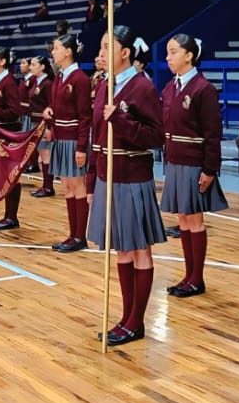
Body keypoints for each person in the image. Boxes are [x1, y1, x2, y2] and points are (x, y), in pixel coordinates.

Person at [88, 27, 169, 345]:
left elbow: (155, 136)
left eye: (108, 46)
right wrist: (92, 178)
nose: (102, 52)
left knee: (139, 248)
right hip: (108, 175)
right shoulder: (103, 85)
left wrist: (120, 120)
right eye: (101, 46)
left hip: (133, 176)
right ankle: (125, 317)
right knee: (121, 248)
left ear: (125, 52)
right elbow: (97, 135)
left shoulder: (142, 87)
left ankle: (137, 322)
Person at [161, 34, 226, 297]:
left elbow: (213, 133)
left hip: (194, 162)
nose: (168, 57)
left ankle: (196, 279)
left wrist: (209, 168)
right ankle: (188, 276)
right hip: (175, 161)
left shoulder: (203, 88)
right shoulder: (169, 88)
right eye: (167, 52)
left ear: (189, 56)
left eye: (173, 52)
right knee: (183, 220)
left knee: (195, 220)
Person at [46, 32, 94, 253]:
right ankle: (72, 233)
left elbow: (85, 116)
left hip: (74, 140)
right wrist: (50, 113)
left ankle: (80, 236)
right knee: (67, 187)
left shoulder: (80, 79)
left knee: (77, 186)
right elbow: (56, 106)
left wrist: (81, 147)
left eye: (56, 48)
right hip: (60, 138)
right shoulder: (59, 77)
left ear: (68, 52)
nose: (53, 52)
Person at [0, 46, 28, 231]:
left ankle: (11, 216)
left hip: (6, 134)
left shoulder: (8, 82)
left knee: (11, 175)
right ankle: (7, 215)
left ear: (2, 61)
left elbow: (14, 111)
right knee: (2, 175)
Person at [27, 55, 56, 200]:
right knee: (41, 153)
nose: (30, 67)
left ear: (42, 66)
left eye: (33, 64)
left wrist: (50, 127)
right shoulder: (35, 82)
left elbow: (52, 105)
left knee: (46, 156)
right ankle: (45, 186)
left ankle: (48, 186)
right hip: (35, 122)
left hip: (44, 123)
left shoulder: (47, 84)